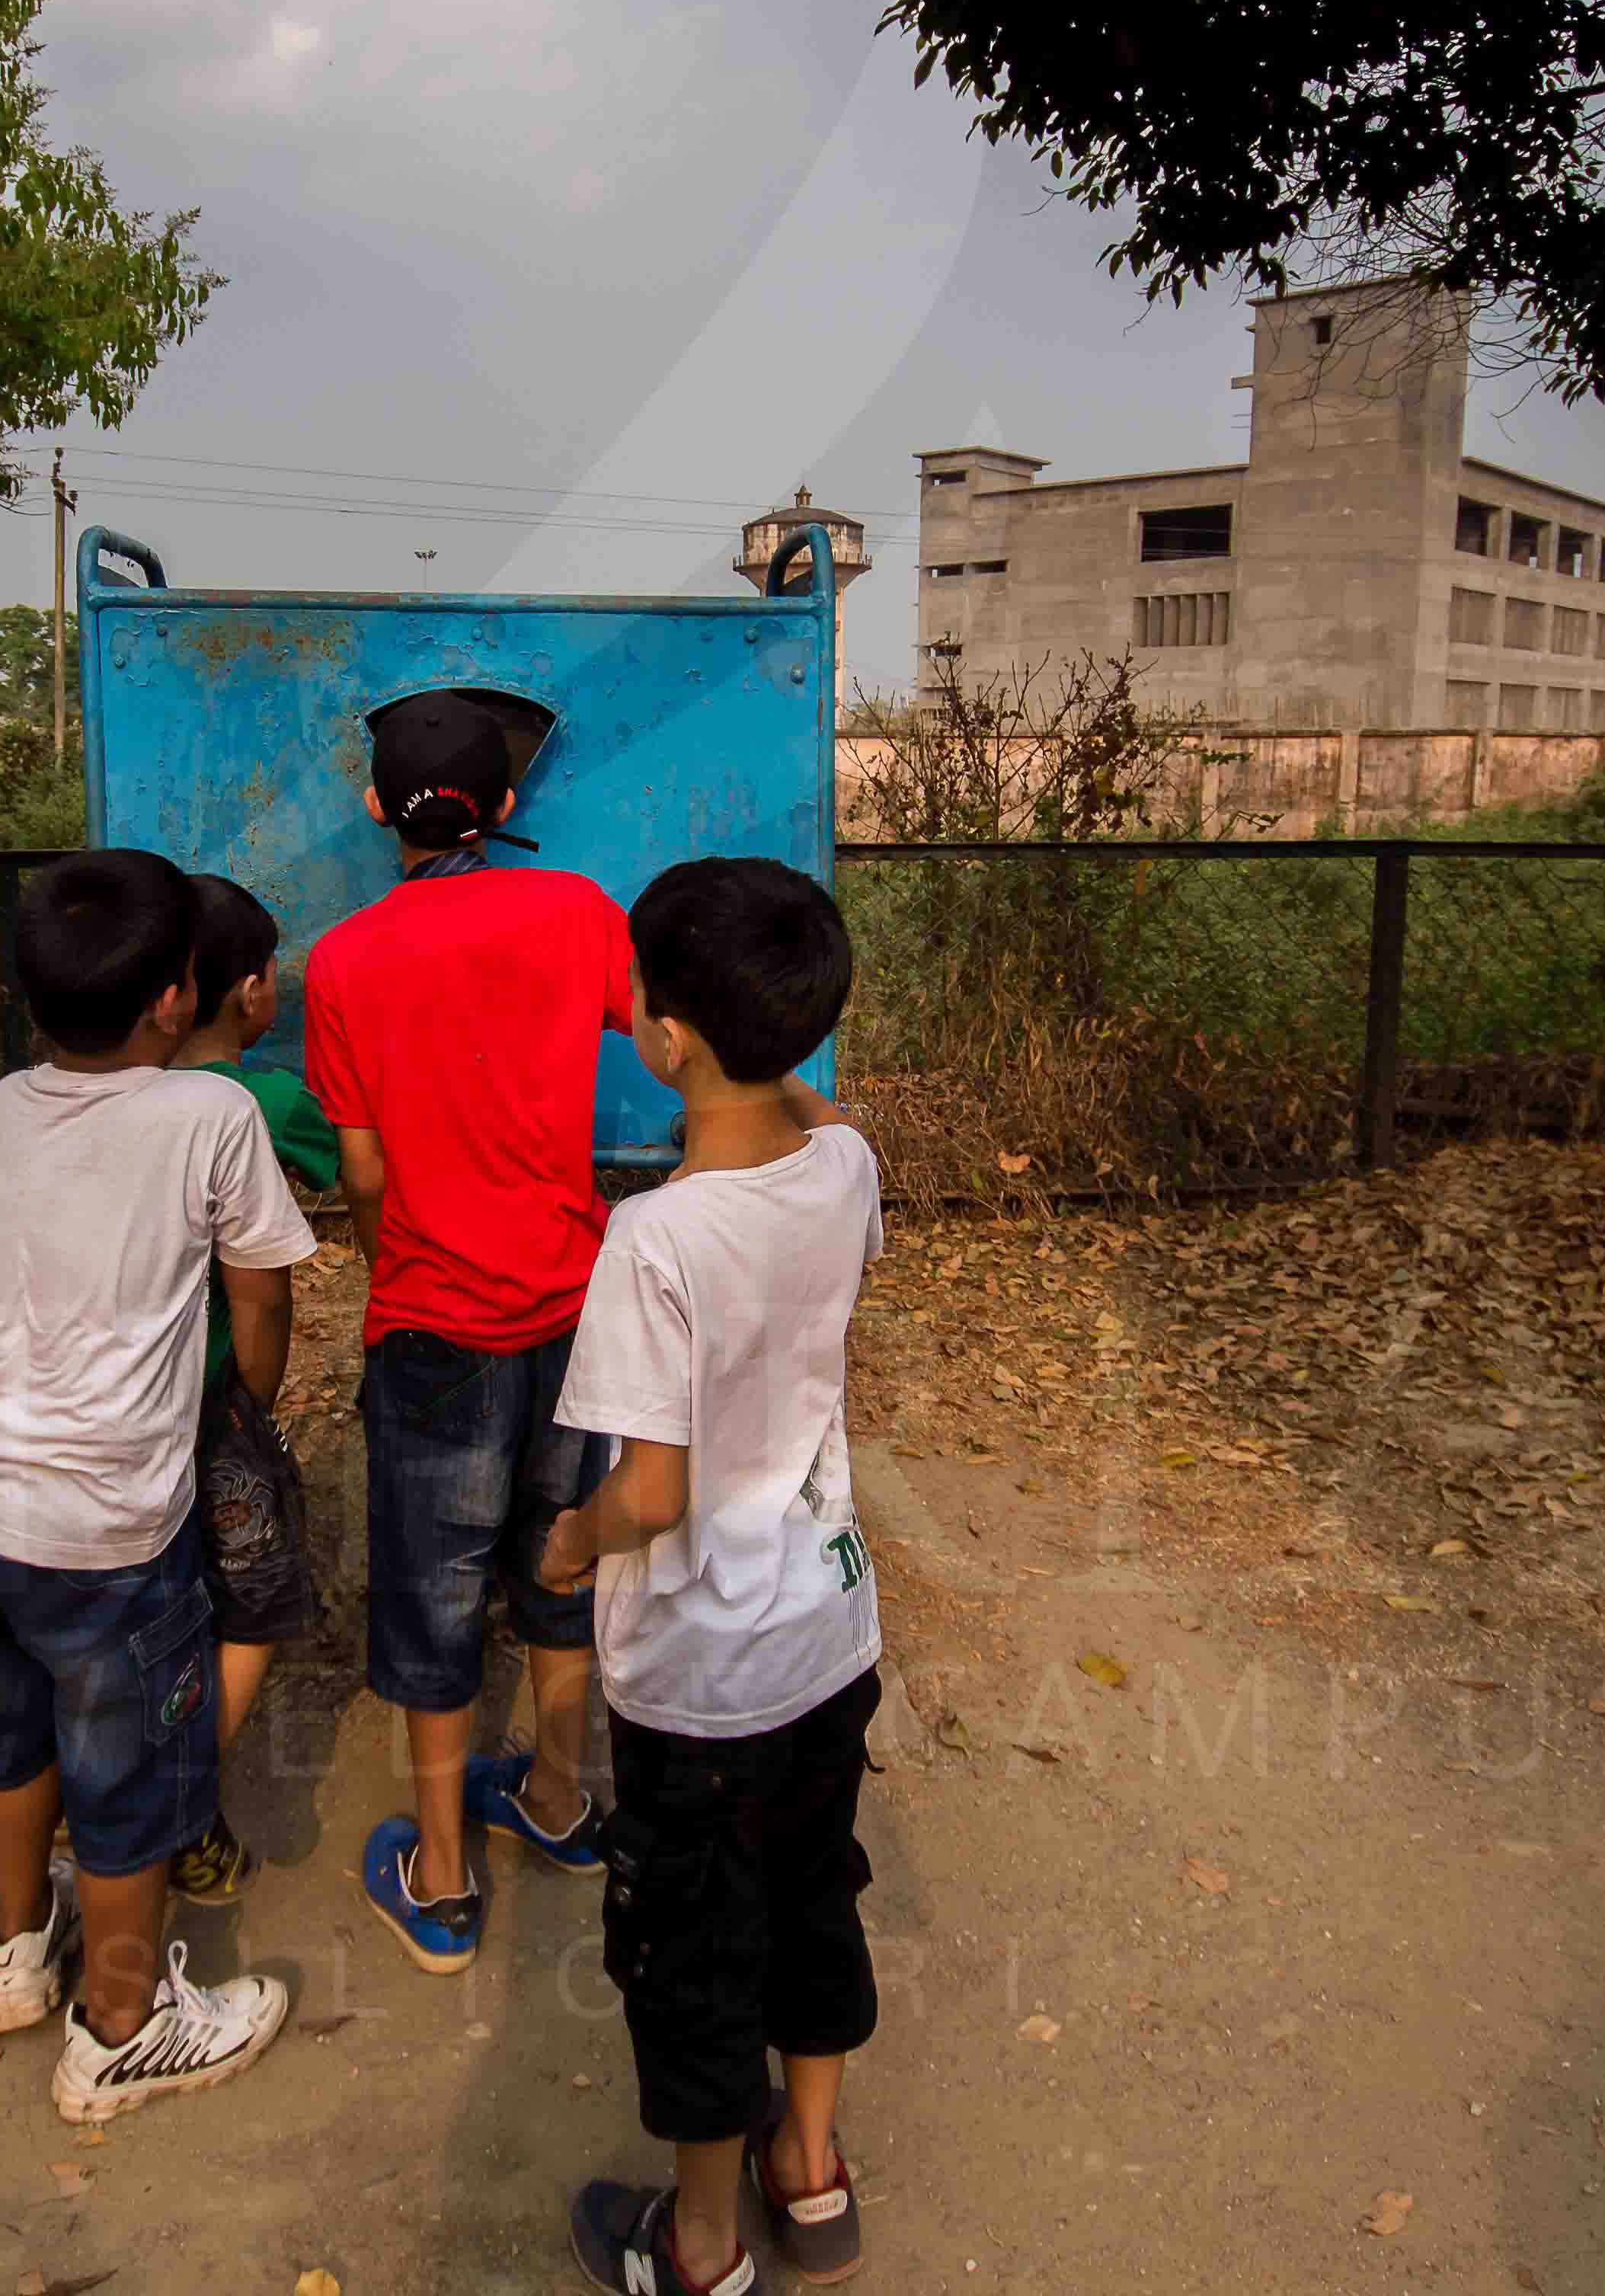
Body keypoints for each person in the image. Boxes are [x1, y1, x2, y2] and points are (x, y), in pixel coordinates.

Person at [0, 849, 315, 2122]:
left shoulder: (1, 1106)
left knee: (9, 1727)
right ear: (178, 1000)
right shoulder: (210, 1116)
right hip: (96, 1520)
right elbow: (260, 1296)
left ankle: (19, 1947)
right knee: (125, 1770)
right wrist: (241, 1411)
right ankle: (121, 2029)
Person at [536, 856, 883, 2296]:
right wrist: (755, 1059)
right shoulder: (846, 1160)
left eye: (634, 988)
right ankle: (807, 2173)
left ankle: (697, 2248)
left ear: (668, 1038)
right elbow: (796, 1106)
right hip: (830, 1635)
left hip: (703, 1684)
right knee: (815, 1894)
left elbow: (653, 1493)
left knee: (690, 1954)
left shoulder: (655, 1240)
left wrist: (569, 1542)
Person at [299, 688, 634, 1970]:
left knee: (432, 1596)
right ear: (502, 808)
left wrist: (403, 1265)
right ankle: (556, 1799)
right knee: (561, 1559)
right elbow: (658, 1028)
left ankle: (440, 1880)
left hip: (433, 1318)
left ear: (378, 806)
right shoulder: (577, 911)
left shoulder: (342, 962)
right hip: (573, 1309)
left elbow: (366, 1174)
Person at [165, 872, 339, 1905]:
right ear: (255, 991)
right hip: (217, 1400)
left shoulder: (104, 1098)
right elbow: (271, 1292)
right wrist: (256, 1408)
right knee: (252, 1600)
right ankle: (182, 1806)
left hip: (116, 1411)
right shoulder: (265, 1100)